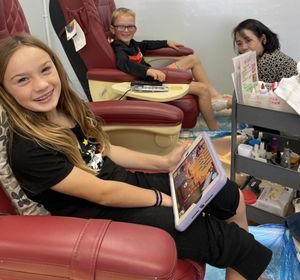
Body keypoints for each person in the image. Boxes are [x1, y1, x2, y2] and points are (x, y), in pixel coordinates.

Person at [0, 34, 271, 280]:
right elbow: (103, 193)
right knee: (237, 246)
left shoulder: (65, 109)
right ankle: (240, 256)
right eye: (22, 80)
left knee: (227, 192)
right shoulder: (29, 148)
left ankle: (241, 264)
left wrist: (163, 163)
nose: (41, 85)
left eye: (46, 70)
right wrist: (166, 200)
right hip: (103, 215)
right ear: (5, 90)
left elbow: (103, 150)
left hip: (125, 184)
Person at [110, 7, 231, 131]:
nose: (126, 30)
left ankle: (216, 97)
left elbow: (146, 44)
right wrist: (147, 71)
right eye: (121, 26)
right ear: (112, 29)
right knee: (202, 89)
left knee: (193, 59)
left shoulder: (131, 44)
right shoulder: (118, 47)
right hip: (150, 83)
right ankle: (214, 129)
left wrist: (166, 42)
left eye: (130, 26)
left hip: (156, 77)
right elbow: (123, 63)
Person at [233, 19, 297, 83]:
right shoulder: (253, 60)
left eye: (248, 40)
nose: (244, 47)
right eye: (239, 43)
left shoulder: (269, 60)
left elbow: (256, 91)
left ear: (263, 39)